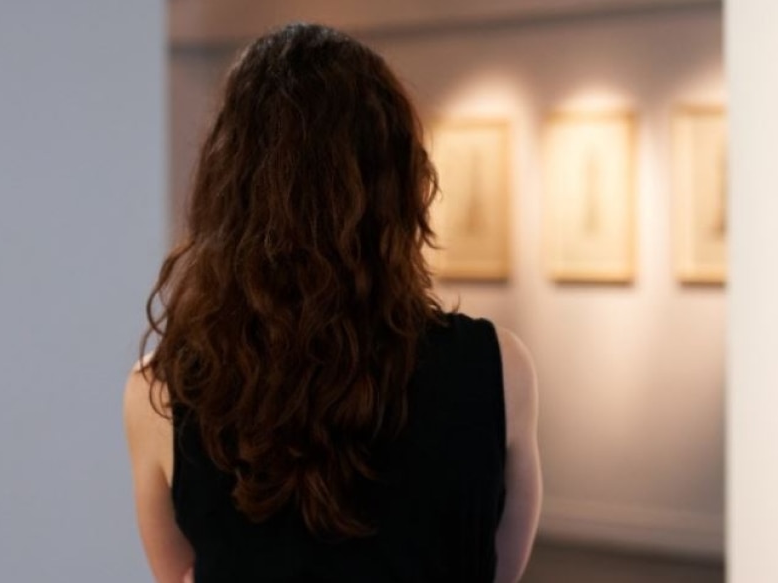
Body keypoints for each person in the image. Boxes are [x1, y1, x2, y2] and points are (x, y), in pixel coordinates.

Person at [124, 23, 542, 583]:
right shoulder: (498, 368)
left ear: (227, 188)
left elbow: (180, 575)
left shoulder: (160, 389)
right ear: (402, 183)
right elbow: (497, 570)